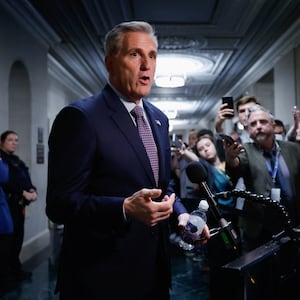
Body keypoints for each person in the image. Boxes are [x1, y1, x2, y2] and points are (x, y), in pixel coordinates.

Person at [46, 21, 209, 300]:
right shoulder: (81, 118)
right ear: (110, 63)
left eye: (152, 55)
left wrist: (180, 213)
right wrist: (123, 208)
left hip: (155, 274)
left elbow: (162, 186)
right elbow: (59, 204)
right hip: (100, 280)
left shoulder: (159, 118)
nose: (147, 65)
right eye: (135, 54)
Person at [224, 104, 300, 252]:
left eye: (263, 122)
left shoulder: (292, 149)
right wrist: (230, 158)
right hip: (258, 228)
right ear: (248, 130)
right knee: (261, 273)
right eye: (253, 124)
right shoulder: (246, 149)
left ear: (273, 124)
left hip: (292, 222)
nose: (258, 126)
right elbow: (237, 166)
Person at [0, 130, 37, 284]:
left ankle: (16, 271)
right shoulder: (3, 160)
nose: (14, 142)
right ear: (1, 142)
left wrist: (31, 189)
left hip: (19, 205)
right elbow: (7, 182)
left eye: (16, 140)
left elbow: (24, 177)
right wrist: (23, 192)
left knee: (17, 240)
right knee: (7, 243)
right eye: (10, 140)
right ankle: (7, 275)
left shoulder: (16, 160)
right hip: (7, 206)